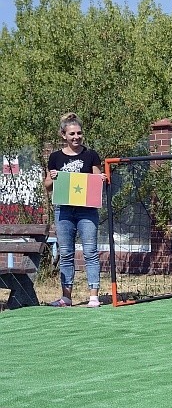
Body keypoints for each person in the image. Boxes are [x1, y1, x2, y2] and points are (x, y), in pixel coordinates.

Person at [43, 112, 106, 308]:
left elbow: (98, 181)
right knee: (66, 252)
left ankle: (93, 296)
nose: (76, 137)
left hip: (87, 210)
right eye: (72, 134)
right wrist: (52, 177)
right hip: (64, 210)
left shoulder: (91, 155)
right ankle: (66, 297)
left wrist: (102, 178)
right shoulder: (55, 157)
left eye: (79, 133)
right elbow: (47, 185)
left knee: (90, 251)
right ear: (63, 135)